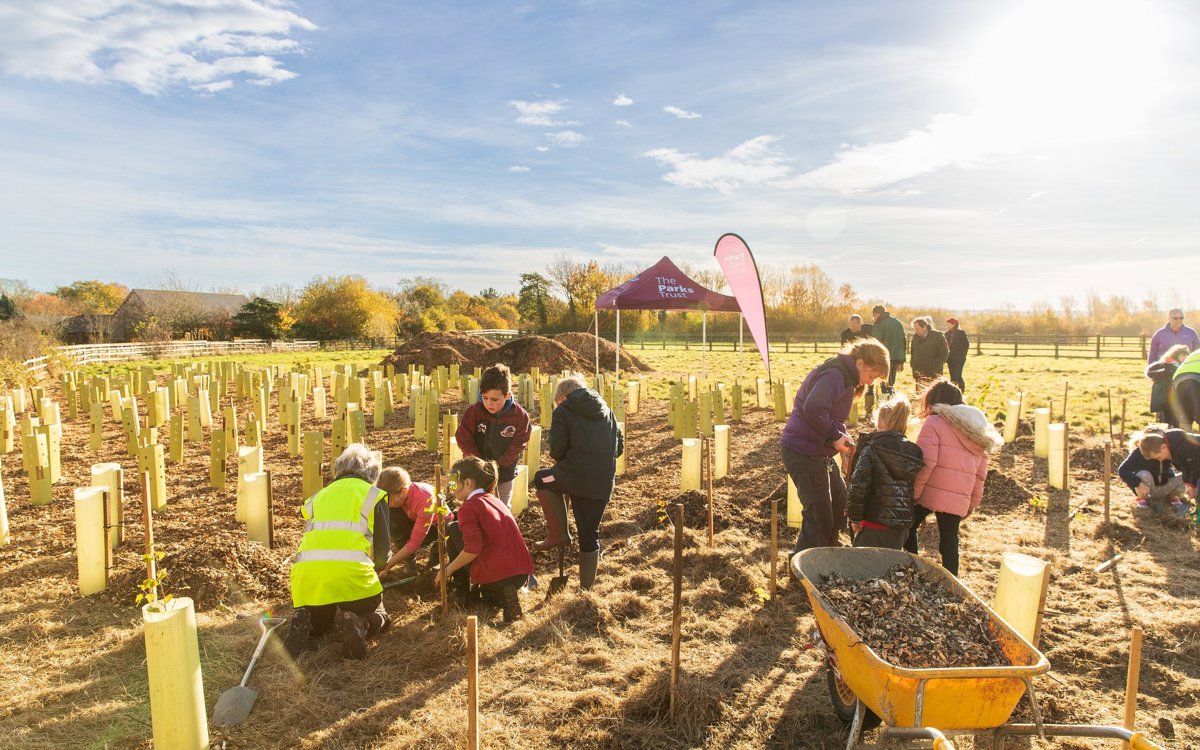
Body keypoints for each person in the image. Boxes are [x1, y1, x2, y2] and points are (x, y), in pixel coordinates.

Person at [781, 339, 890, 553]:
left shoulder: (845, 377)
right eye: (871, 376)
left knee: (839, 502)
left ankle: (829, 551)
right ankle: (802, 569)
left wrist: (841, 436)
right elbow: (813, 408)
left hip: (818, 452)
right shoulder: (836, 375)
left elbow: (830, 415)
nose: (870, 382)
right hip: (804, 452)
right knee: (819, 516)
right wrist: (833, 435)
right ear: (860, 363)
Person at [286, 443, 391, 660]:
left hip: (308, 577)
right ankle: (360, 623)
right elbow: (382, 553)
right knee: (379, 614)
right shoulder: (374, 495)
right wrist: (382, 569)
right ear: (373, 472)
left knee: (323, 621)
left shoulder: (317, 497)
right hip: (352, 574)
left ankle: (310, 625)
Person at [530, 374, 623, 590]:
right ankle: (586, 590)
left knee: (542, 478)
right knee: (589, 533)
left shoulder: (563, 410)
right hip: (602, 483)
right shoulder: (608, 411)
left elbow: (557, 450)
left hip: (570, 476)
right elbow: (618, 449)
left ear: (562, 397)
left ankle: (558, 534)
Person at [903, 380, 1003, 576]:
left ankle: (912, 569)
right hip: (959, 495)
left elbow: (926, 462)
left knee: (908, 526)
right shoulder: (978, 428)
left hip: (931, 491)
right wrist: (972, 503)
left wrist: (914, 492)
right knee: (949, 542)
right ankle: (953, 583)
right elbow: (981, 474)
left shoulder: (935, 422)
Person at [438, 456, 534, 622]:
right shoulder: (494, 500)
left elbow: (472, 548)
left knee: (453, 528)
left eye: (453, 483)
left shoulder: (469, 508)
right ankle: (501, 593)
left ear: (467, 483)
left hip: (496, 573)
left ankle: (463, 590)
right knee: (487, 598)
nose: (451, 488)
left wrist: (447, 570)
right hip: (520, 572)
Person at [847, 394, 924, 549]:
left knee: (861, 567)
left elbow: (859, 485)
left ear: (880, 421)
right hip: (900, 525)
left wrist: (854, 518)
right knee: (890, 567)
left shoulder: (872, 448)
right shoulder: (913, 452)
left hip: (873, 520)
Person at [456, 363, 532, 508]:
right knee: (475, 506)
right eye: (485, 398)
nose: (489, 404)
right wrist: (480, 464)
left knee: (501, 507)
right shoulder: (474, 412)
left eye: (494, 399)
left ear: (507, 395)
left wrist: (499, 464)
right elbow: (464, 439)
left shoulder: (519, 416)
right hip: (476, 471)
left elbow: (519, 443)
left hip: (505, 472)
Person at [376, 467, 444, 577]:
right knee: (391, 516)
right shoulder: (399, 497)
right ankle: (409, 560)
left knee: (433, 563)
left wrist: (388, 566)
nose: (388, 504)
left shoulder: (425, 500)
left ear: (403, 491)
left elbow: (414, 542)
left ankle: (436, 554)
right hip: (413, 519)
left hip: (436, 527)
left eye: (390, 500)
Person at [1119, 429, 1187, 516]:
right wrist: (1138, 483)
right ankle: (1143, 501)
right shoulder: (1138, 454)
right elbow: (1122, 470)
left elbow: (1181, 466)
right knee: (1144, 474)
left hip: (1165, 489)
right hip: (1147, 490)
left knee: (1185, 475)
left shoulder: (1166, 451)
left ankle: (1174, 499)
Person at [1139, 429, 1200, 511]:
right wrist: (1187, 482)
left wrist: (1192, 485)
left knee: (1198, 485)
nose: (1160, 460)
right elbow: (1185, 467)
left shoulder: (1182, 446)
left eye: (1159, 457)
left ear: (1163, 447)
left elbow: (1196, 463)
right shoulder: (1172, 450)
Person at [1146, 345, 1189, 428]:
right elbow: (1149, 372)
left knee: (1174, 419)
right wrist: (1163, 372)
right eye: (1183, 356)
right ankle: (1170, 437)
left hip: (1174, 397)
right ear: (1178, 355)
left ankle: (1172, 435)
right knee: (1168, 419)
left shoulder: (1180, 366)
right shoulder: (1165, 364)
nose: (1185, 358)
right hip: (1165, 398)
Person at [871, 305, 906, 396]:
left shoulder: (879, 323)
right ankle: (892, 399)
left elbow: (876, 341)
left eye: (874, 315)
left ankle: (885, 403)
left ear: (877, 313)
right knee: (891, 381)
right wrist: (902, 361)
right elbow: (903, 341)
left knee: (883, 381)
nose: (874, 317)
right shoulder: (897, 322)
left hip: (884, 357)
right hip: (897, 357)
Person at [909, 316, 949, 388]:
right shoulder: (915, 337)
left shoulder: (937, 336)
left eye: (917, 329)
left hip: (933, 373)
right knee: (920, 395)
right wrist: (913, 365)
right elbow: (913, 353)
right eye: (914, 329)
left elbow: (944, 353)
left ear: (924, 327)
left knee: (933, 395)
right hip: (918, 371)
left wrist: (934, 365)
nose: (915, 331)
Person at [1173, 349, 1200, 430]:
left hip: (1178, 378)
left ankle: (1184, 439)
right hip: (1196, 377)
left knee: (1185, 414)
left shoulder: (1197, 351)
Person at [944, 317, 970, 391]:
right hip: (950, 358)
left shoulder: (961, 333)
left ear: (954, 324)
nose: (947, 326)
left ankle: (961, 390)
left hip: (959, 358)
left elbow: (966, 344)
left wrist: (963, 354)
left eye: (949, 324)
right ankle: (953, 391)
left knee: (957, 375)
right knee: (952, 376)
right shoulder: (947, 333)